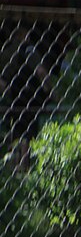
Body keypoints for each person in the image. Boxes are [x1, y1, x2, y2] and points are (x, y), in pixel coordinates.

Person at [2, 23, 52, 172]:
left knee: (14, 131)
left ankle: (12, 168)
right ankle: (24, 169)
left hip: (13, 98)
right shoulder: (28, 50)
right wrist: (49, 89)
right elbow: (41, 71)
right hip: (29, 96)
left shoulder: (7, 51)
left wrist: (7, 93)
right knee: (27, 135)